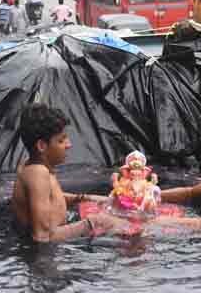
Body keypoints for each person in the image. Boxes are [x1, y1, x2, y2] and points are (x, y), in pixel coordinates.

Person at [12, 103, 122, 242]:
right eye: (61, 140)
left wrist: (83, 198)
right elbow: (41, 237)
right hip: (44, 255)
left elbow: (48, 198)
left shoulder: (35, 166)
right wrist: (92, 223)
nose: (69, 145)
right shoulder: (38, 174)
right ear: (41, 146)